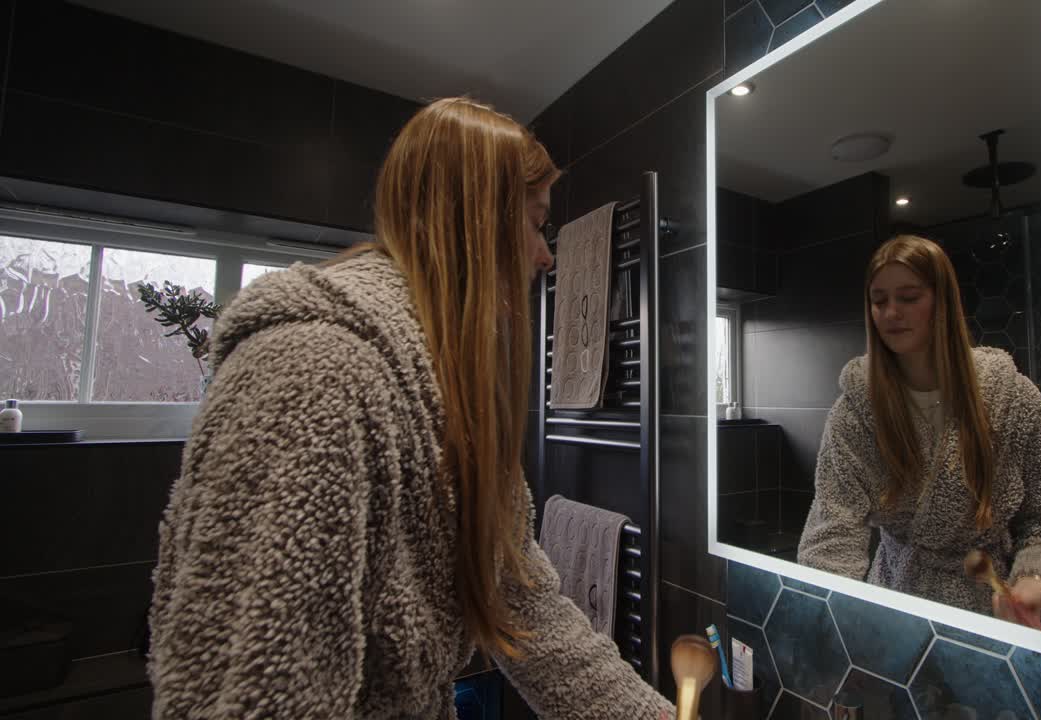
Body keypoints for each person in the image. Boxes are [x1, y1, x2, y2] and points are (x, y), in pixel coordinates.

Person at [147, 98, 674, 718]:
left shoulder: (443, 382)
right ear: (475, 221)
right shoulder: (316, 367)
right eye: (536, 224)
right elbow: (259, 688)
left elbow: (526, 606)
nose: (546, 256)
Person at [796, 234, 1041, 634]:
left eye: (909, 297)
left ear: (942, 302)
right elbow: (831, 536)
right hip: (896, 610)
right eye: (879, 300)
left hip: (990, 616)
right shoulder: (856, 414)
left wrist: (1036, 581)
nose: (891, 312)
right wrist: (835, 625)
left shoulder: (1011, 400)